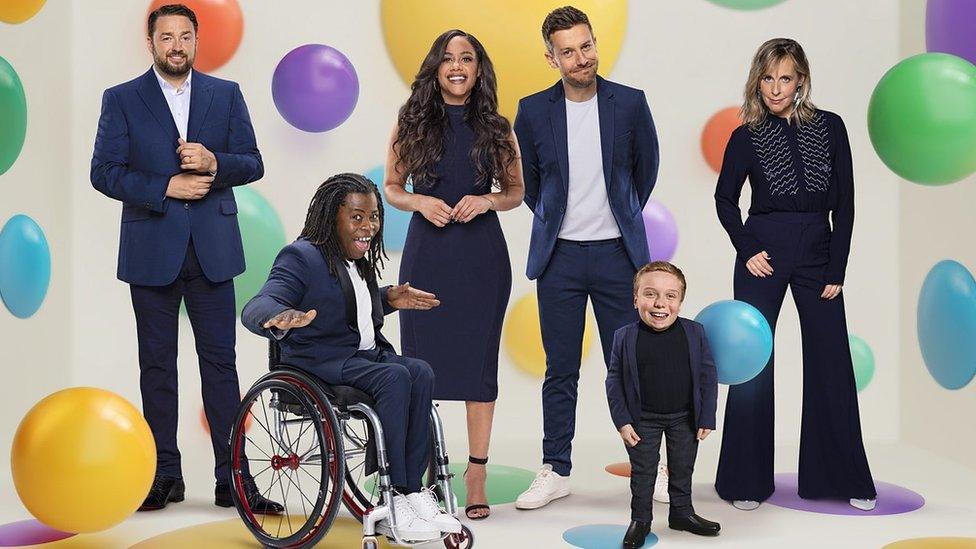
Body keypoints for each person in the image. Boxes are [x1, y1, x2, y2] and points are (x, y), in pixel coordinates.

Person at [90, 3, 279, 513]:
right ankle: (163, 475)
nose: (176, 45)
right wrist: (164, 186)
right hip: (152, 249)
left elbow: (253, 163)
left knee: (221, 366)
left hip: (212, 253)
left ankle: (231, 478)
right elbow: (104, 172)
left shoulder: (226, 95)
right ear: (150, 43)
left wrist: (215, 162)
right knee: (157, 366)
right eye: (166, 36)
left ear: (197, 41)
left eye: (185, 36)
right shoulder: (122, 99)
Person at [242, 173, 462, 541]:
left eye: (374, 217)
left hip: (360, 357)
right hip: (319, 364)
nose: (368, 227)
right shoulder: (302, 256)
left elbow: (344, 305)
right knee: (395, 378)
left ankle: (414, 493)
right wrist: (275, 316)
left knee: (420, 371)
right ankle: (397, 494)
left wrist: (387, 298)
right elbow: (260, 301)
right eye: (357, 217)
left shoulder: (355, 256)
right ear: (333, 218)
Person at [713, 38, 877, 511]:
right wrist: (747, 249)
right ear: (756, 80)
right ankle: (745, 481)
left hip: (818, 254)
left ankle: (841, 477)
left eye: (785, 78)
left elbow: (844, 203)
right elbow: (726, 200)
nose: (775, 88)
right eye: (767, 78)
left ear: (801, 79)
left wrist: (837, 266)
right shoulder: (746, 136)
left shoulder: (831, 128)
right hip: (763, 251)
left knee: (831, 361)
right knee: (752, 365)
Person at [512, 5, 660, 510]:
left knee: (631, 366)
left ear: (596, 44)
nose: (581, 59)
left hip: (619, 256)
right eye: (568, 51)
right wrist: (561, 223)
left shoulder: (631, 103)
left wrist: (615, 218)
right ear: (551, 58)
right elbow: (532, 185)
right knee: (560, 369)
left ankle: (647, 470)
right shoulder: (532, 111)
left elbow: (645, 172)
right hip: (560, 260)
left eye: (586, 46)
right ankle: (556, 469)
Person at [383, 29, 524, 520]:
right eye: (448, 59)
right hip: (427, 256)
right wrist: (420, 201)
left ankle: (476, 472)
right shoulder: (413, 121)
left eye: (467, 58)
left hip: (482, 260)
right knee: (420, 366)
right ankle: (423, 471)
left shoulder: (497, 126)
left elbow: (514, 192)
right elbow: (392, 187)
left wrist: (486, 200)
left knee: (478, 369)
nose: (458, 66)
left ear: (479, 69)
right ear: (436, 69)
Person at [606, 262, 720, 547]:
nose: (660, 304)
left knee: (683, 467)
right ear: (635, 299)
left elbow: (708, 376)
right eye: (650, 294)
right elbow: (614, 382)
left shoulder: (695, 332)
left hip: (685, 417)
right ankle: (640, 519)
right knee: (643, 472)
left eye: (670, 296)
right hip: (642, 419)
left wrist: (707, 416)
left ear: (680, 302)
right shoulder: (624, 336)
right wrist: (622, 420)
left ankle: (682, 513)